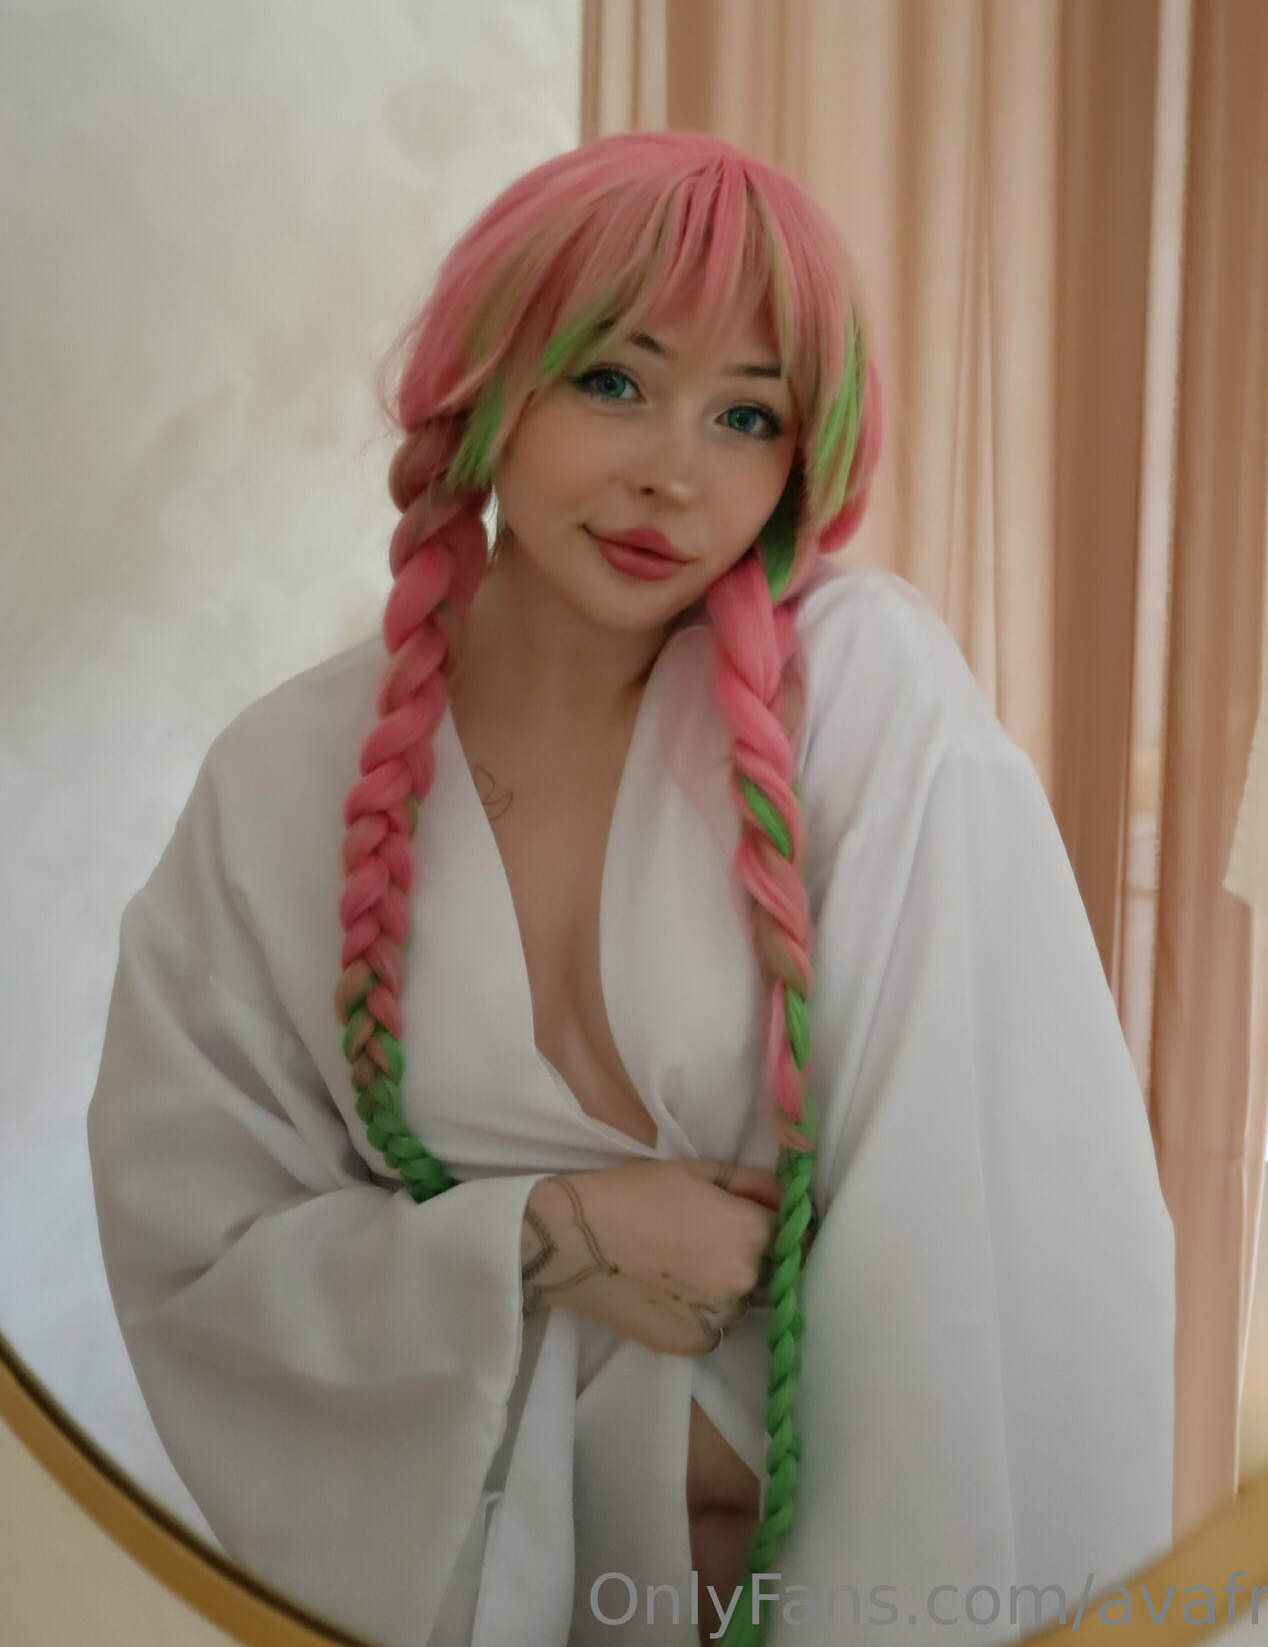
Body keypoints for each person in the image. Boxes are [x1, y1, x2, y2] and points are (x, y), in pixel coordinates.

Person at [88, 131, 1175, 1647]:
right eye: (614, 380)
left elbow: (999, 1206)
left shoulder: (860, 690)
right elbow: (198, 1248)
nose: (674, 471)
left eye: (747, 415)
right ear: (488, 385)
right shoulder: (286, 777)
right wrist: (554, 1232)